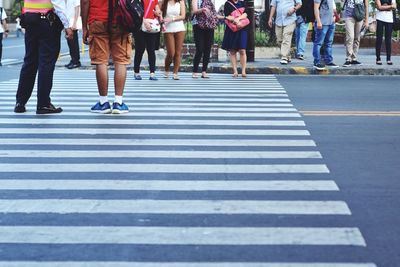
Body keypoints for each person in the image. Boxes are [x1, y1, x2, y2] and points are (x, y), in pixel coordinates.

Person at [14, 0, 73, 114]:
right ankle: (43, 103)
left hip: (30, 21)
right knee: (46, 63)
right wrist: (67, 25)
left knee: (29, 62)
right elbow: (58, 4)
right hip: (46, 23)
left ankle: (20, 102)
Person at [81, 0, 132, 114]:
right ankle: (118, 103)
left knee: (101, 61)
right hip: (120, 19)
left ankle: (103, 102)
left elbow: (85, 2)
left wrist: (84, 27)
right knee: (120, 61)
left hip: (97, 19)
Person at [133, 0, 162, 81]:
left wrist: (158, 13)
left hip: (151, 25)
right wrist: (144, 21)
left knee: (151, 50)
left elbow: (157, 10)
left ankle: (152, 73)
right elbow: (134, 9)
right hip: (139, 25)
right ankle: (136, 72)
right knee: (140, 49)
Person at [268, 0, 302, 64]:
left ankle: (284, 57)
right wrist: (270, 18)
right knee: (279, 40)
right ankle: (288, 55)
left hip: (290, 20)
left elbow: (299, 4)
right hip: (279, 21)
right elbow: (273, 6)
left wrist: (294, 9)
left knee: (286, 37)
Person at [191, 0, 218, 78]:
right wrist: (203, 9)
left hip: (209, 24)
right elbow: (195, 11)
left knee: (208, 48)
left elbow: (213, 11)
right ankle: (195, 71)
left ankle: (204, 71)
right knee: (199, 48)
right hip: (198, 25)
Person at [222, 0, 248, 77]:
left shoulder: (242, 2)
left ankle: (243, 71)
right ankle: (235, 71)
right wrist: (235, 21)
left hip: (242, 28)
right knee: (232, 50)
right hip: (232, 28)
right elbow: (227, 16)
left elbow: (246, 14)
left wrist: (238, 19)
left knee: (242, 50)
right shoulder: (227, 3)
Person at [161, 0, 186, 80]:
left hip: (179, 28)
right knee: (171, 53)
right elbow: (160, 14)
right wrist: (162, 20)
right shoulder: (163, 2)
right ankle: (166, 69)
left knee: (178, 52)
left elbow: (183, 16)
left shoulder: (181, 1)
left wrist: (172, 18)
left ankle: (175, 73)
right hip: (168, 29)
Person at [312, 0, 339, 70]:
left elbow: (332, 7)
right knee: (318, 43)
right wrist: (318, 21)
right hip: (322, 22)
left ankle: (328, 61)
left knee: (329, 43)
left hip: (331, 22)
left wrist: (334, 17)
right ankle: (316, 62)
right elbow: (316, 8)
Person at [342, 0, 368, 66]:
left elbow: (366, 6)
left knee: (357, 38)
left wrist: (366, 20)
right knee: (350, 37)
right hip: (349, 16)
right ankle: (348, 58)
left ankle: (354, 58)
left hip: (360, 16)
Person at [375, 0, 396, 65]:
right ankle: (378, 58)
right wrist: (390, 6)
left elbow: (394, 6)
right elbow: (379, 7)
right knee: (379, 39)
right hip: (380, 18)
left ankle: (388, 59)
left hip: (389, 19)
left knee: (388, 40)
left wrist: (384, 7)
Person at [65, 0, 82, 69]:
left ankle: (76, 61)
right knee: (70, 43)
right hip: (68, 21)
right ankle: (73, 60)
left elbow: (77, 8)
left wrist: (75, 22)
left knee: (74, 43)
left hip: (72, 22)